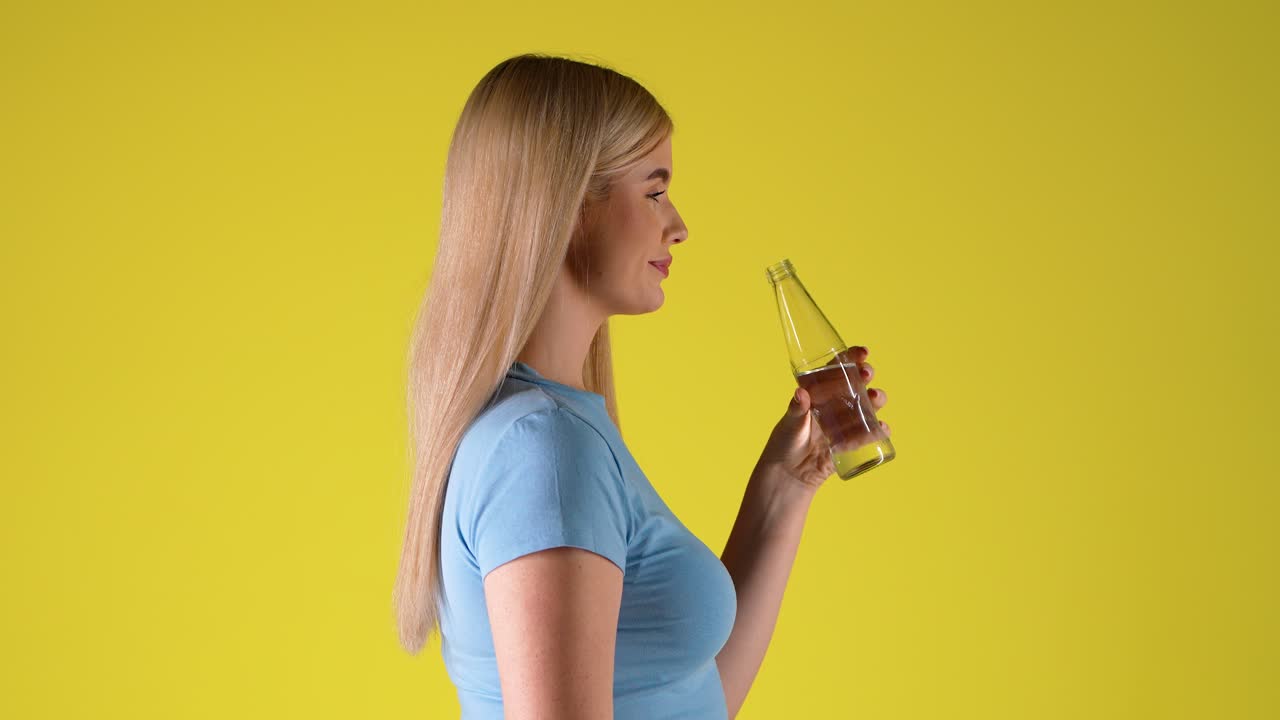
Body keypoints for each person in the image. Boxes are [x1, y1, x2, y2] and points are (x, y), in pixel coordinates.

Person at [392, 52, 890, 720]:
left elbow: (688, 700)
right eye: (654, 191)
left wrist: (788, 483)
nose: (677, 225)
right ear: (566, 203)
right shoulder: (544, 449)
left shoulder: (553, 429)